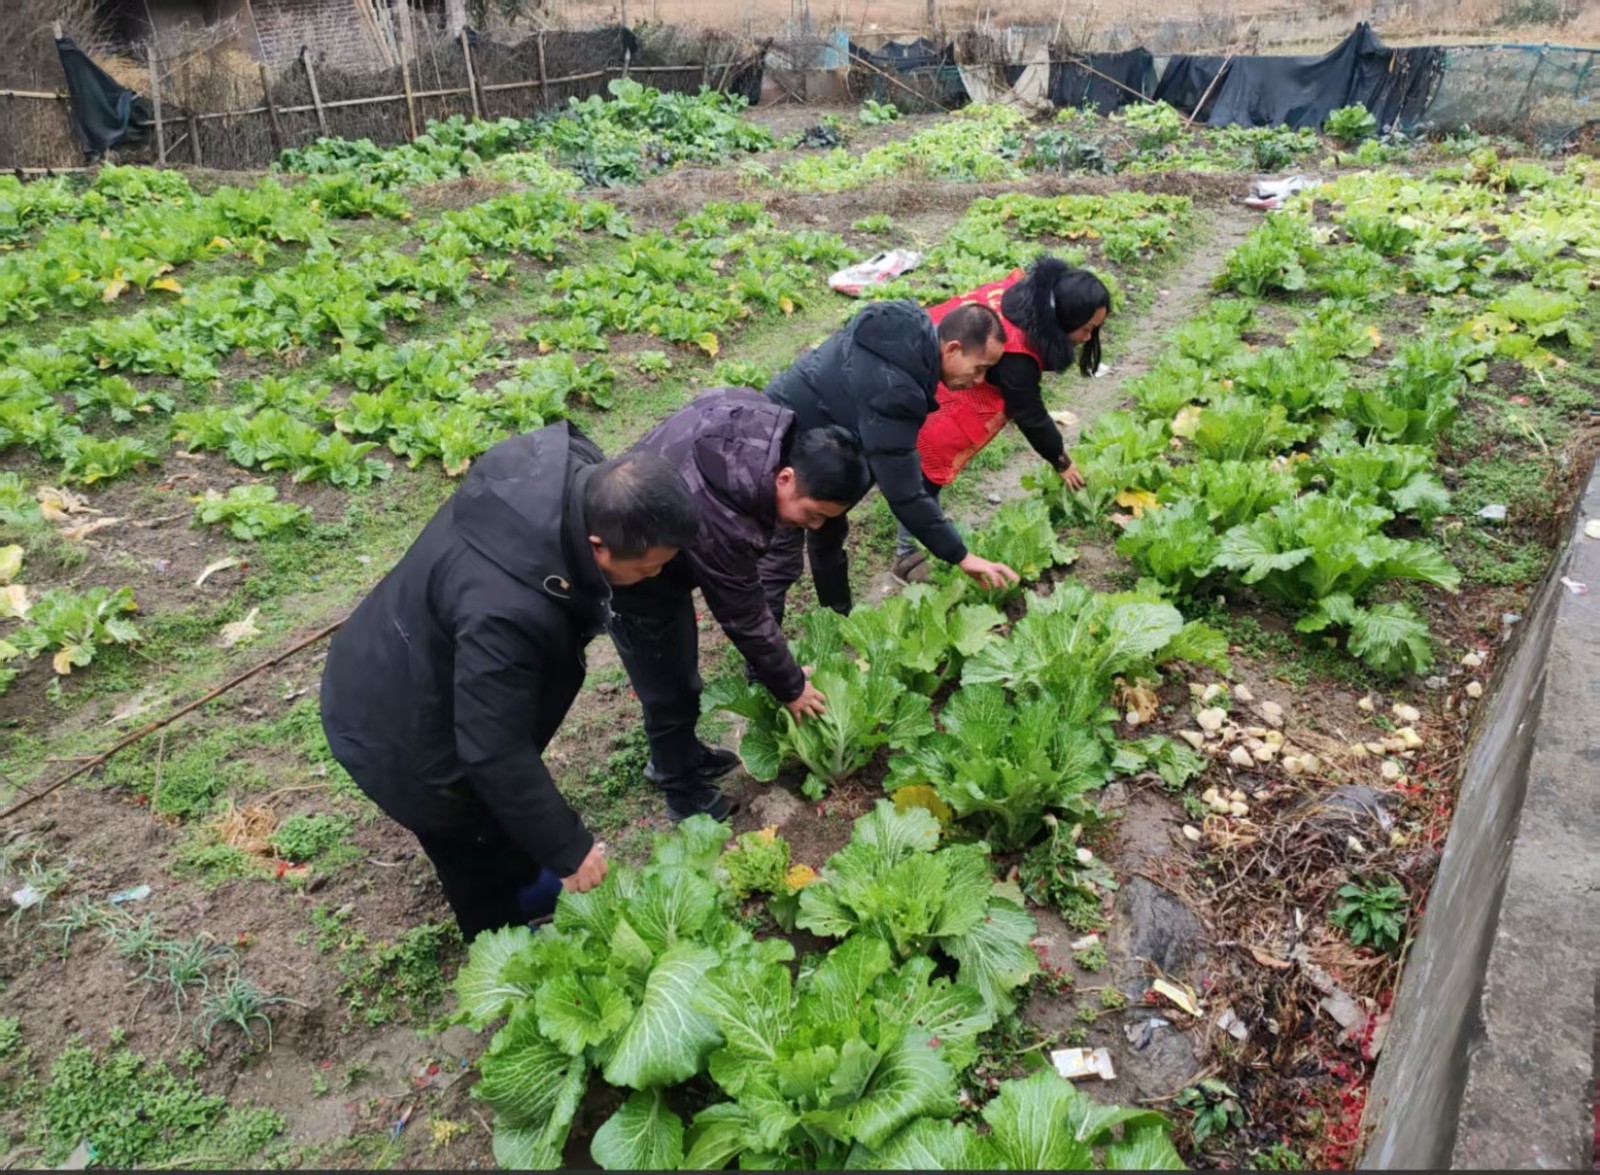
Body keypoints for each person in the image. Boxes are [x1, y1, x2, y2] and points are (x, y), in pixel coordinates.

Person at [318, 422, 699, 941]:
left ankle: (531, 881)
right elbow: (492, 749)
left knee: (506, 812)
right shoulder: (507, 612)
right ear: (598, 547)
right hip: (390, 720)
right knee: (467, 829)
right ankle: (503, 948)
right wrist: (570, 848)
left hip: (413, 648)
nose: (654, 576)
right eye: (650, 568)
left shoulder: (568, 474)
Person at [611, 388, 872, 822]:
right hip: (629, 570)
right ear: (786, 478)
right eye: (812, 515)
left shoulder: (765, 431)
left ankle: (684, 754)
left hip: (662, 545)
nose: (815, 526)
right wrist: (790, 685)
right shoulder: (719, 519)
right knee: (670, 689)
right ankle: (679, 789)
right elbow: (743, 613)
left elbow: (774, 557)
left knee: (680, 672)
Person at [757, 298, 1021, 628]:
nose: (979, 381)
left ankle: (838, 623)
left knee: (828, 525)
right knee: (779, 555)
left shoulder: (906, 330)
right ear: (952, 349)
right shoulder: (896, 389)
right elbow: (904, 492)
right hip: (780, 443)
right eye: (979, 368)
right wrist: (961, 556)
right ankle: (762, 673)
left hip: (804, 425)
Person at [893, 257, 1112, 584]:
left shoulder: (1029, 297)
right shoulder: (1015, 355)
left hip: (926, 346)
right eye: (1086, 329)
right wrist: (1061, 460)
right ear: (1066, 315)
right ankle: (906, 553)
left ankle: (920, 526)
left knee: (902, 461)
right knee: (924, 467)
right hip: (928, 377)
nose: (1086, 337)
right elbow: (1030, 414)